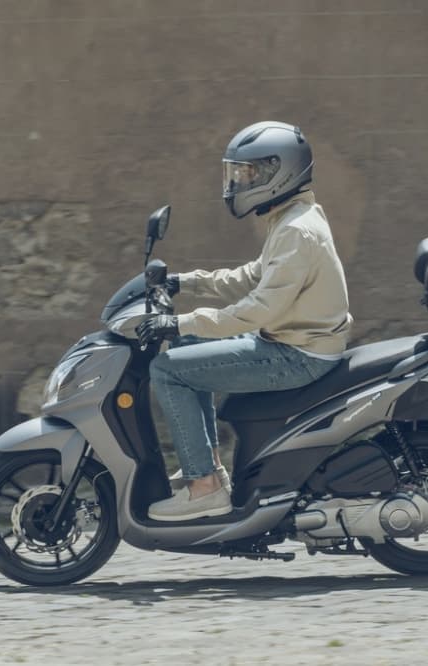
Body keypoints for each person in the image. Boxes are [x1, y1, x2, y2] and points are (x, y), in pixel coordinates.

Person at [136, 121, 353, 521]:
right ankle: (210, 470)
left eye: (249, 173)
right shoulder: (293, 218)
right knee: (185, 348)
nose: (238, 182)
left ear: (280, 173)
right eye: (237, 173)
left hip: (299, 355)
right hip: (292, 340)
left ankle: (205, 489)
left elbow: (258, 309)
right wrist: (185, 282)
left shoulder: (296, 231)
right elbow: (252, 276)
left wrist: (181, 322)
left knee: (167, 370)